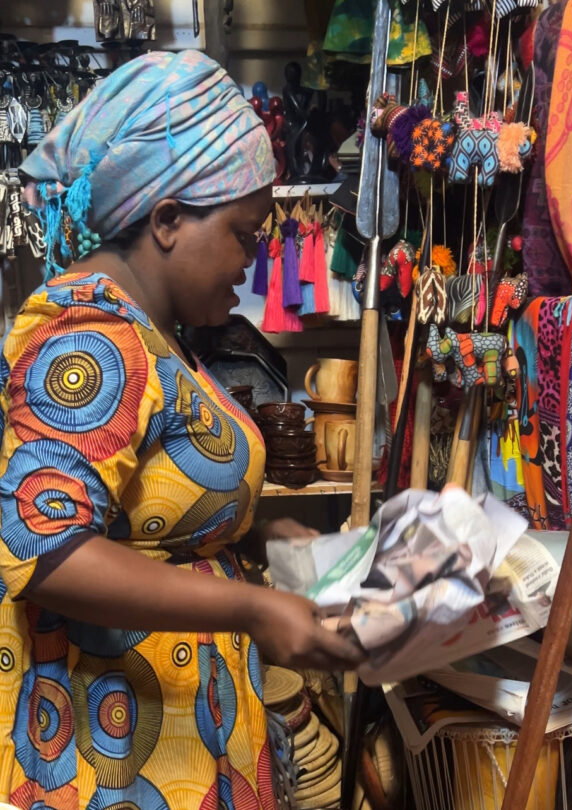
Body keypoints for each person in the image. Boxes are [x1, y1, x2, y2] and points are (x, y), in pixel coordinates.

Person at [0, 50, 362, 809]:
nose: (254, 257)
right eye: (243, 231)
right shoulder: (90, 340)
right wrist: (253, 608)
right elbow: (44, 551)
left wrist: (260, 541)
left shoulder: (163, 338)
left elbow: (146, 515)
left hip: (182, 741)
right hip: (118, 764)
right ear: (168, 220)